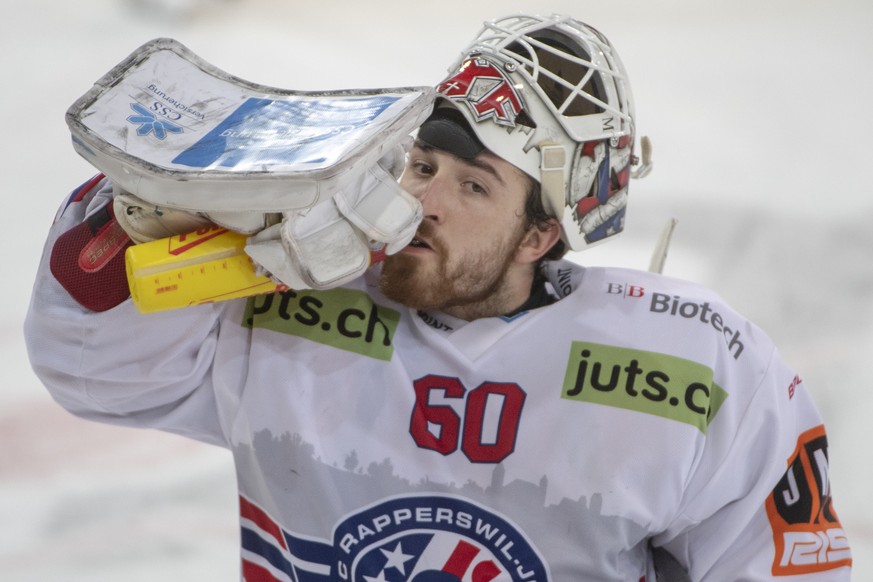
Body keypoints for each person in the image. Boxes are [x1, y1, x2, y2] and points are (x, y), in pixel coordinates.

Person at [25, 13, 852, 581]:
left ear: (538, 236)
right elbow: (94, 372)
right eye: (421, 167)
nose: (423, 200)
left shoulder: (692, 359)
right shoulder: (288, 298)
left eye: (472, 185)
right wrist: (145, 214)